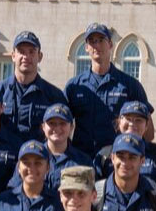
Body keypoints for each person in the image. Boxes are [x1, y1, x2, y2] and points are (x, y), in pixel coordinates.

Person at [64, 22, 150, 157]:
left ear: (110, 44)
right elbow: (62, 124)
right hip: (82, 158)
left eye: (101, 40)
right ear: (86, 47)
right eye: (92, 41)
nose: (96, 45)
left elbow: (148, 129)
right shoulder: (74, 87)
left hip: (116, 160)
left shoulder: (130, 85)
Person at [0, 31, 67, 142]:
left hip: (38, 157)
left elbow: (63, 132)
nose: (26, 57)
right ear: (13, 56)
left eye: (31, 52)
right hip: (4, 156)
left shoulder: (54, 95)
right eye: (21, 52)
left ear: (40, 56)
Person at [7, 103, 93, 192]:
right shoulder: (29, 157)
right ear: (43, 127)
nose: (57, 128)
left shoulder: (83, 161)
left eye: (62, 123)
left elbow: (89, 196)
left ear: (71, 127)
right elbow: (15, 191)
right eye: (52, 123)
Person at [94, 101, 156, 184]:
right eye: (128, 119)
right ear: (119, 122)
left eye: (138, 120)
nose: (132, 124)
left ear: (146, 126)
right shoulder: (104, 155)